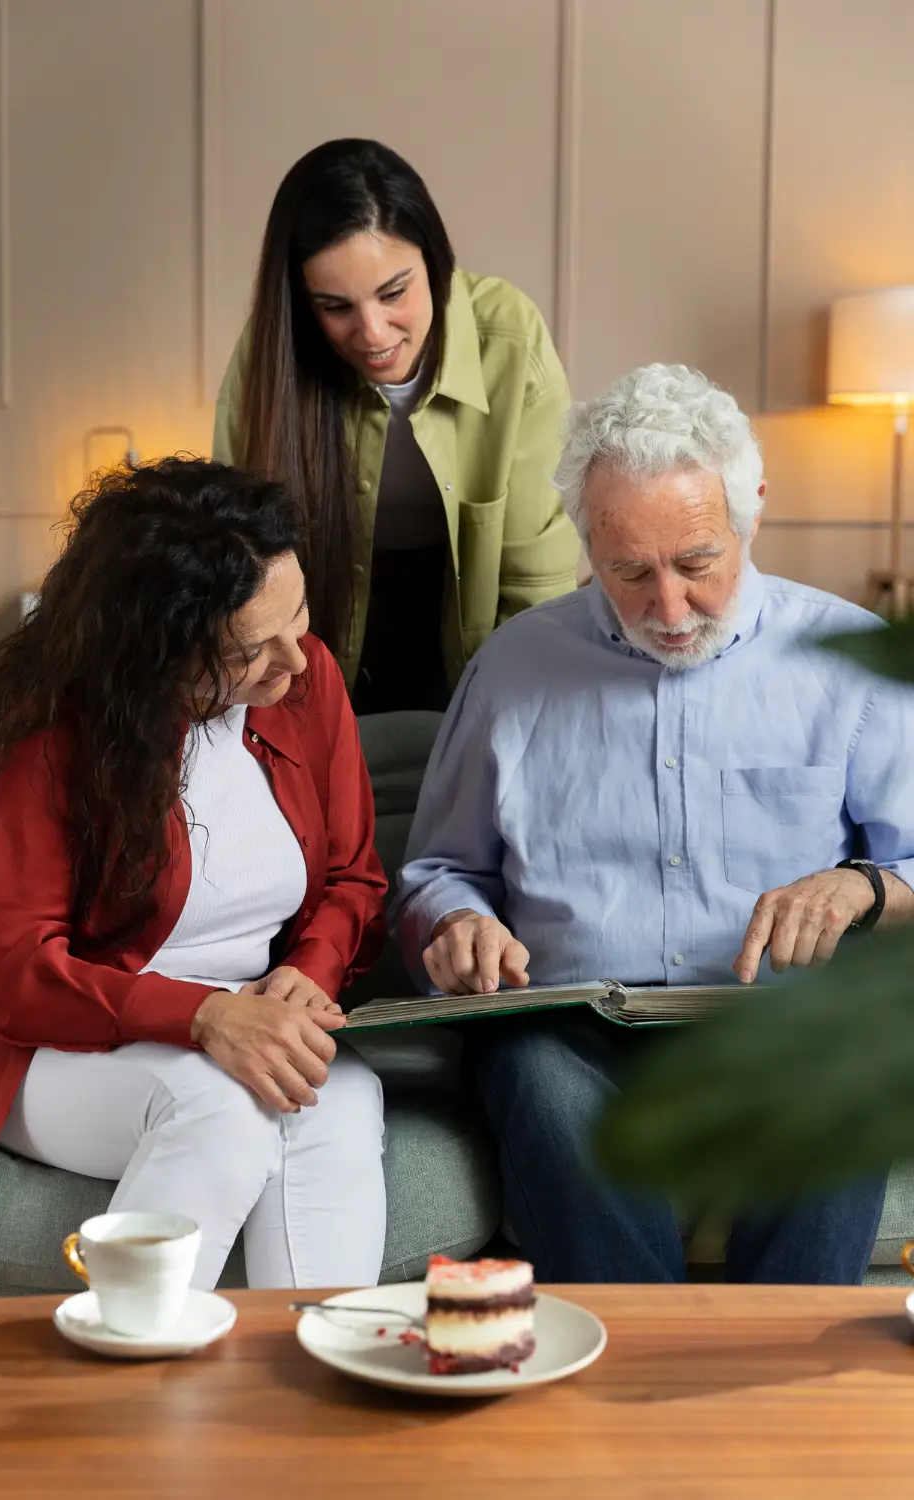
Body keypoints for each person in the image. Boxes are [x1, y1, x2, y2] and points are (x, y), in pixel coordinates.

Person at [391, 363, 914, 1285]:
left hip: (784, 1024)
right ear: (587, 540)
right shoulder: (511, 670)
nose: (668, 609)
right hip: (568, 1027)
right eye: (629, 571)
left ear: (752, 514)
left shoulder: (847, 663)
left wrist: (863, 887)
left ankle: (773, 1366)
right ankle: (636, 1360)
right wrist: (456, 923)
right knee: (532, 1066)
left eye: (697, 564)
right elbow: (438, 872)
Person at [0, 458, 388, 1300]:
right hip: (42, 1040)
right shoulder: (54, 734)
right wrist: (202, 1016)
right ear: (158, 654)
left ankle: (316, 1368)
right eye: (249, 651)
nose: (296, 663)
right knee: (221, 1109)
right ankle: (126, 1369)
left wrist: (305, 973)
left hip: (243, 1014)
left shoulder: (305, 680)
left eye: (299, 616)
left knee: (341, 1096)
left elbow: (353, 877)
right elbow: (9, 967)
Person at [213, 138, 580, 715]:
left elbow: (535, 591)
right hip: (317, 641)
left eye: (394, 293)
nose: (374, 333)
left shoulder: (511, 338)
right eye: (335, 307)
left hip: (473, 630)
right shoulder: (271, 359)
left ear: (434, 262)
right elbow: (238, 572)